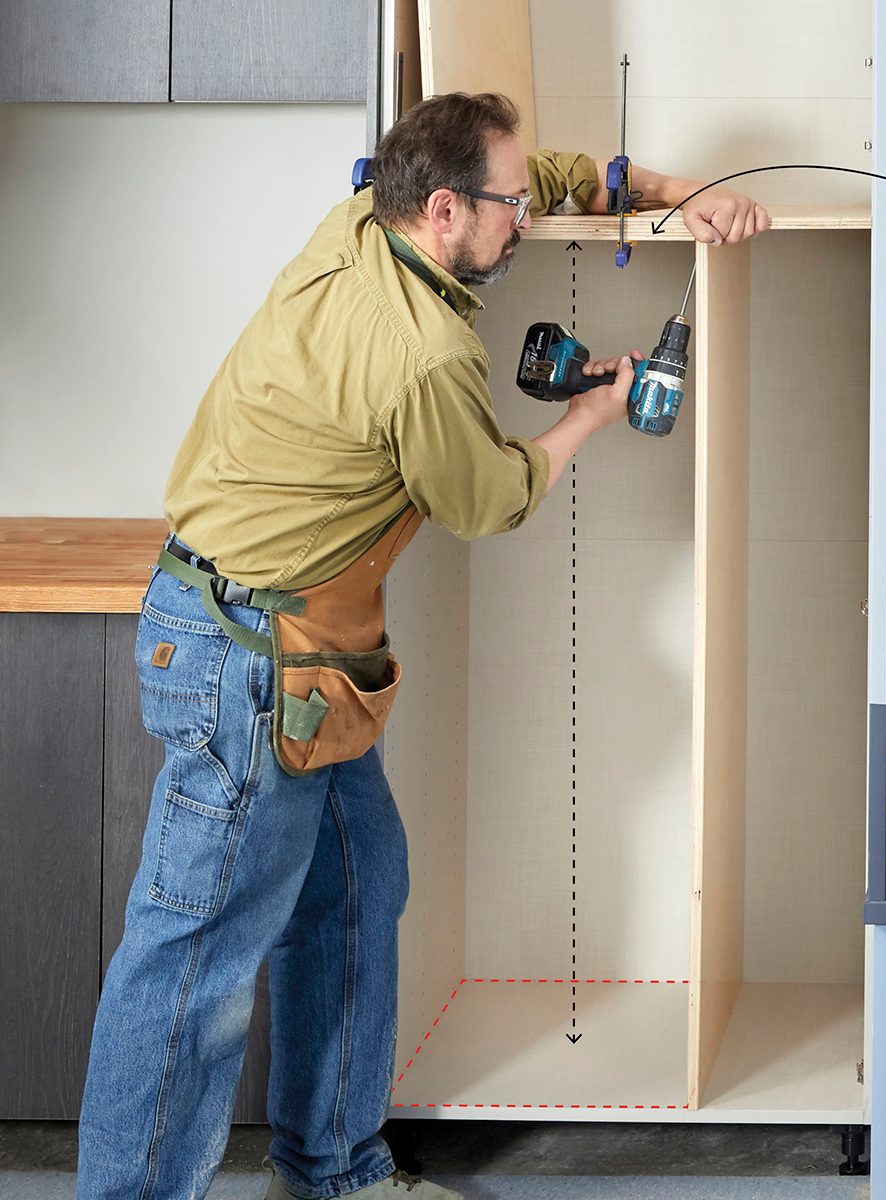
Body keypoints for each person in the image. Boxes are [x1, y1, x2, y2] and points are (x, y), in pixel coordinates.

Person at [75, 91, 769, 1200]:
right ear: (443, 208)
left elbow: (556, 176)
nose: (525, 223)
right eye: (504, 208)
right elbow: (488, 499)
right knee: (192, 964)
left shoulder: (360, 217)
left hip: (304, 656)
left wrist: (688, 196)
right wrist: (592, 411)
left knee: (358, 889)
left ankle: (335, 1173)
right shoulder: (424, 358)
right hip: (250, 667)